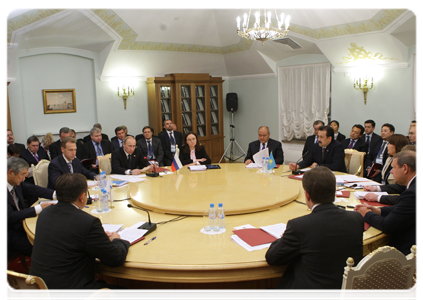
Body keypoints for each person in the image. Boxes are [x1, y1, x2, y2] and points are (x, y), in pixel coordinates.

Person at [259, 167, 363, 300]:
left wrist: (282, 238)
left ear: (307, 195)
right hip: (347, 293)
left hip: (311, 295)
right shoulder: (356, 219)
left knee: (265, 295)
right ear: (334, 191)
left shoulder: (299, 226)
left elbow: (272, 258)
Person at [30, 173, 132, 300]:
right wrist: (116, 239)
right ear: (82, 197)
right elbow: (116, 259)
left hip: (38, 290)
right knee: (125, 294)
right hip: (67, 293)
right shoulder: (87, 222)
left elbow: (68, 235)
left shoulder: (45, 213)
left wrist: (97, 237)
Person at [355, 150, 419, 255]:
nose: (392, 172)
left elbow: (387, 225)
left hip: (409, 251)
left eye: (393, 167)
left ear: (405, 168)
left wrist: (365, 213)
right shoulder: (417, 185)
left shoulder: (413, 193)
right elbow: (405, 208)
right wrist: (379, 211)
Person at [5, 157, 55, 259]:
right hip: (9, 233)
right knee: (46, 248)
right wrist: (39, 208)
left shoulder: (15, 183)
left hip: (21, 223)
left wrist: (56, 194)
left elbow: (33, 189)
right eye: (22, 175)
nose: (24, 178)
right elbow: (9, 216)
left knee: (51, 233)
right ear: (10, 173)